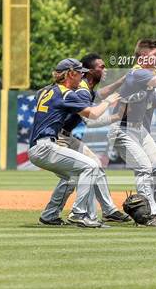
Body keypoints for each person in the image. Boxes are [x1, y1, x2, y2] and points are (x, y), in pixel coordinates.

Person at [38, 53, 131, 225]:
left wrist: (122, 80)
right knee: (78, 172)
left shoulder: (83, 88)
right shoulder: (80, 88)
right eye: (101, 67)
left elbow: (99, 94)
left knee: (93, 164)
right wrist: (116, 116)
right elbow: (91, 119)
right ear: (87, 71)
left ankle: (108, 211)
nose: (105, 70)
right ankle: (77, 213)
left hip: (65, 136)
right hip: (58, 137)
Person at [108, 39, 156, 227]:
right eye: (154, 55)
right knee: (144, 168)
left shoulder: (149, 83)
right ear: (143, 57)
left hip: (139, 131)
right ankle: (149, 215)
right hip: (122, 129)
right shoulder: (137, 74)